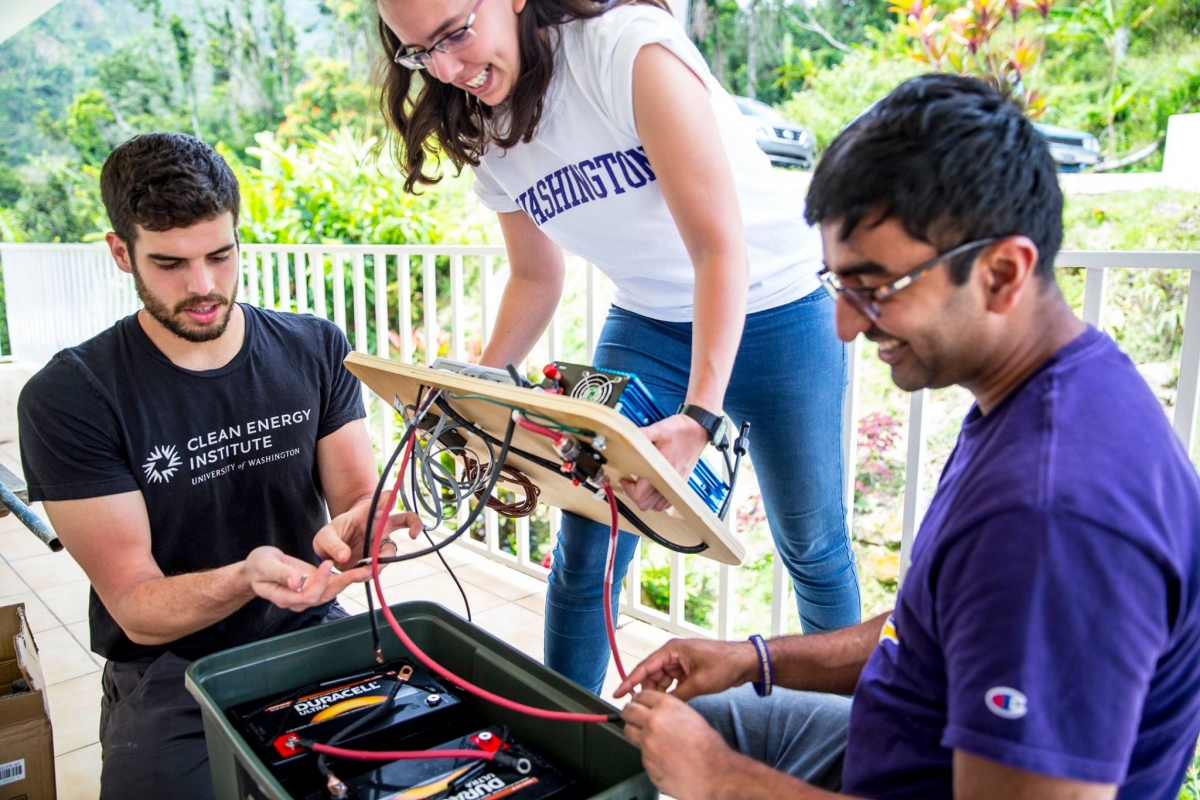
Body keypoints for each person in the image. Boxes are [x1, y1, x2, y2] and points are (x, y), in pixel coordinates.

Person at [615, 74, 1200, 799]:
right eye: (840, 286)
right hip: (898, 738)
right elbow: (932, 628)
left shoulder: (1049, 517)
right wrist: (752, 657)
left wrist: (722, 780)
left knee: (692, 751)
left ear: (1002, 272)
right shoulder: (1044, 385)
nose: (846, 326)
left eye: (876, 287)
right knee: (669, 724)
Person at [373, 0, 861, 694]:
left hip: (779, 310)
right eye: (420, 53)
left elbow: (719, 250)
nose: (448, 70)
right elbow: (536, 277)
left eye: (456, 34)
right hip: (649, 321)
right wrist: (469, 390)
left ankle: (852, 745)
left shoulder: (628, 54)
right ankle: (569, 742)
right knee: (587, 549)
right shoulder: (483, 122)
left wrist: (699, 417)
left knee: (811, 545)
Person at [16, 133, 419, 800]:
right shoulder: (72, 396)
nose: (203, 287)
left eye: (220, 255)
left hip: (310, 627)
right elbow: (138, 606)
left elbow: (353, 495)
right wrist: (246, 577)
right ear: (122, 253)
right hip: (170, 665)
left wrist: (361, 526)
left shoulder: (316, 347)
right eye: (170, 263)